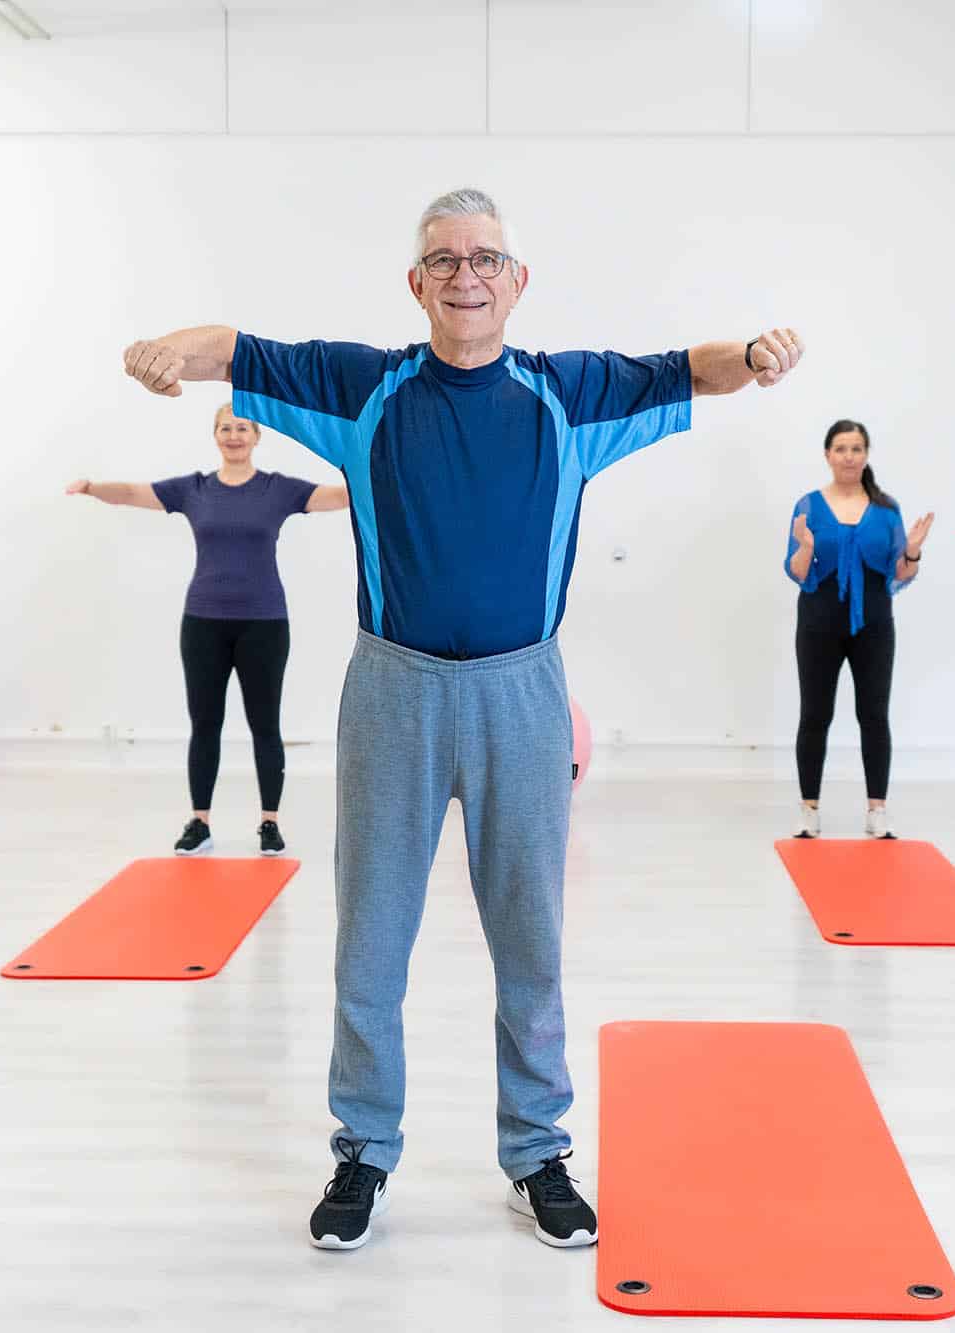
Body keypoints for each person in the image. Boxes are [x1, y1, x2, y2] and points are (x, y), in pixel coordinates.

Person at [121, 187, 803, 1252]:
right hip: (391, 691)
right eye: (443, 260)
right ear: (416, 282)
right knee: (371, 939)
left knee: (528, 937)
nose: (465, 275)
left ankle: (536, 1151)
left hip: (522, 695)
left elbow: (686, 369)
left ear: (516, 281)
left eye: (484, 257)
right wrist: (166, 348)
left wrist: (754, 354)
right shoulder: (364, 388)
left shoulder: (565, 395)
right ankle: (362, 1150)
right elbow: (236, 348)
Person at [67, 403, 348, 855]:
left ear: (256, 436)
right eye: (225, 428)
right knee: (205, 724)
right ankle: (200, 822)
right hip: (203, 623)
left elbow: (338, 496)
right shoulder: (194, 489)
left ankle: (269, 824)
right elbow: (135, 492)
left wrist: (382, 477)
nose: (233, 435)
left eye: (242, 427)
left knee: (265, 726)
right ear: (215, 436)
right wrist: (93, 487)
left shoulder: (277, 490)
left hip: (264, 623)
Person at [785, 419, 932, 840]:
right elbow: (796, 571)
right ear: (828, 455)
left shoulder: (886, 510)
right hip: (817, 622)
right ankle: (808, 810)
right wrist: (808, 548)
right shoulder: (808, 505)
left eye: (856, 448)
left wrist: (914, 550)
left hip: (874, 624)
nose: (849, 456)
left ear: (866, 455)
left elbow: (899, 573)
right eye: (841, 448)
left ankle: (877, 810)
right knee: (815, 714)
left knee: (873, 715)